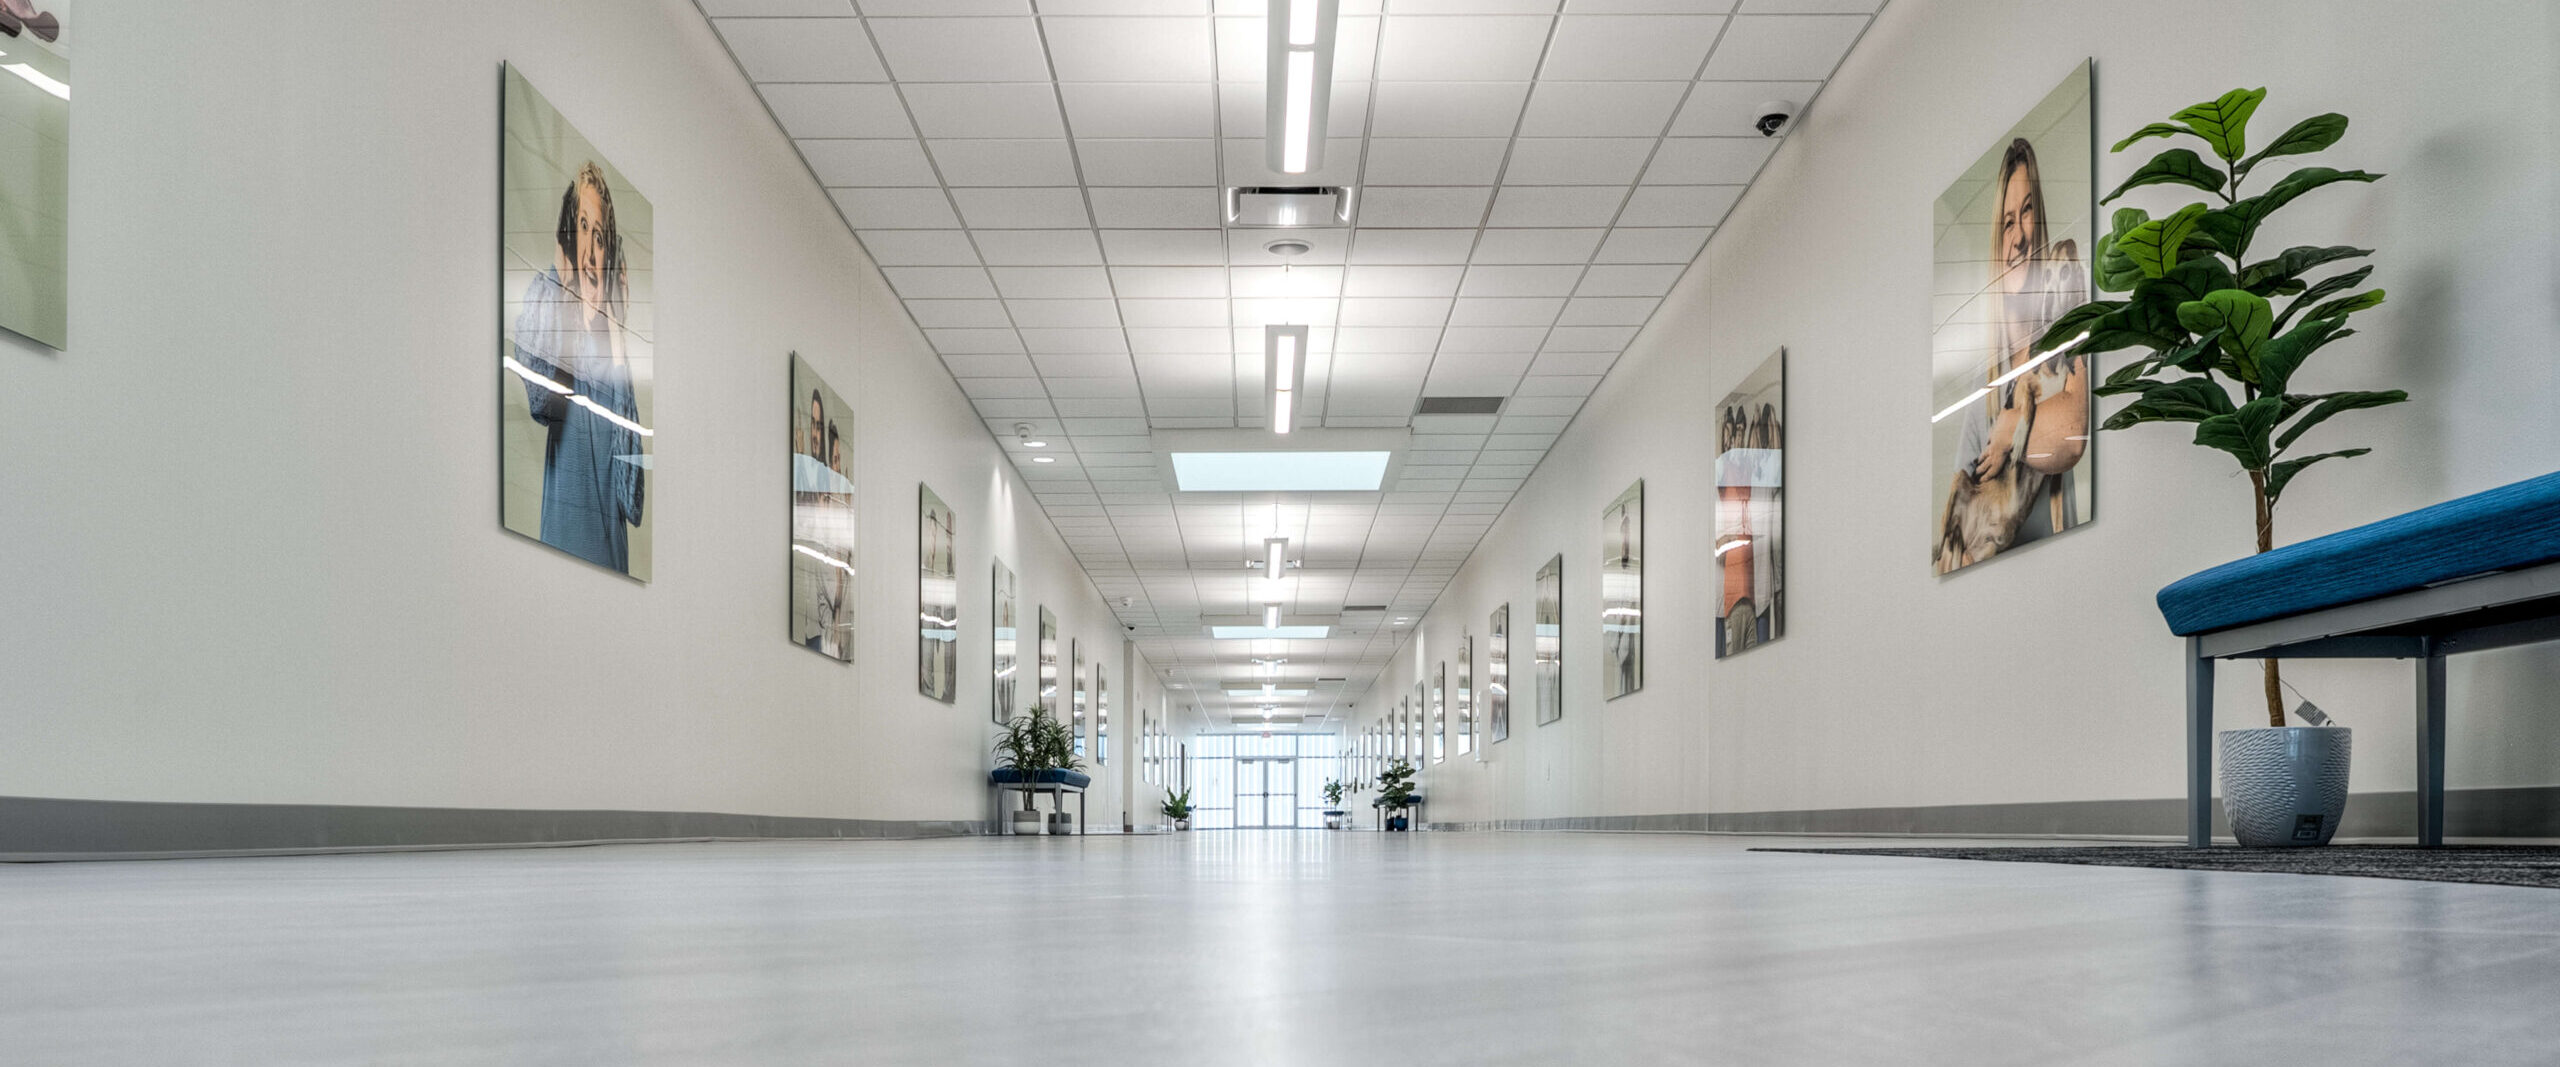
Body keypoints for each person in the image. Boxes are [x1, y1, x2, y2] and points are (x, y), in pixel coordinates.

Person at [1938, 137, 2090, 573]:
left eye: (2026, 213)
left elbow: (2073, 431)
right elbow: (1958, 513)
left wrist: (2010, 432)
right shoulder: (1983, 384)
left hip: (2063, 571)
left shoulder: (2062, 337)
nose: (2019, 235)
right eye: (2007, 222)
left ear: (2039, 225)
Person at [511, 161, 646, 574]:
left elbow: (632, 501)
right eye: (582, 227)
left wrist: (619, 334)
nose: (590, 250)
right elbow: (540, 402)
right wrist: (561, 283)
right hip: (557, 563)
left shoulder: (615, 365)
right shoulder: (544, 299)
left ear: (610, 255)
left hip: (612, 573)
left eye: (600, 237)